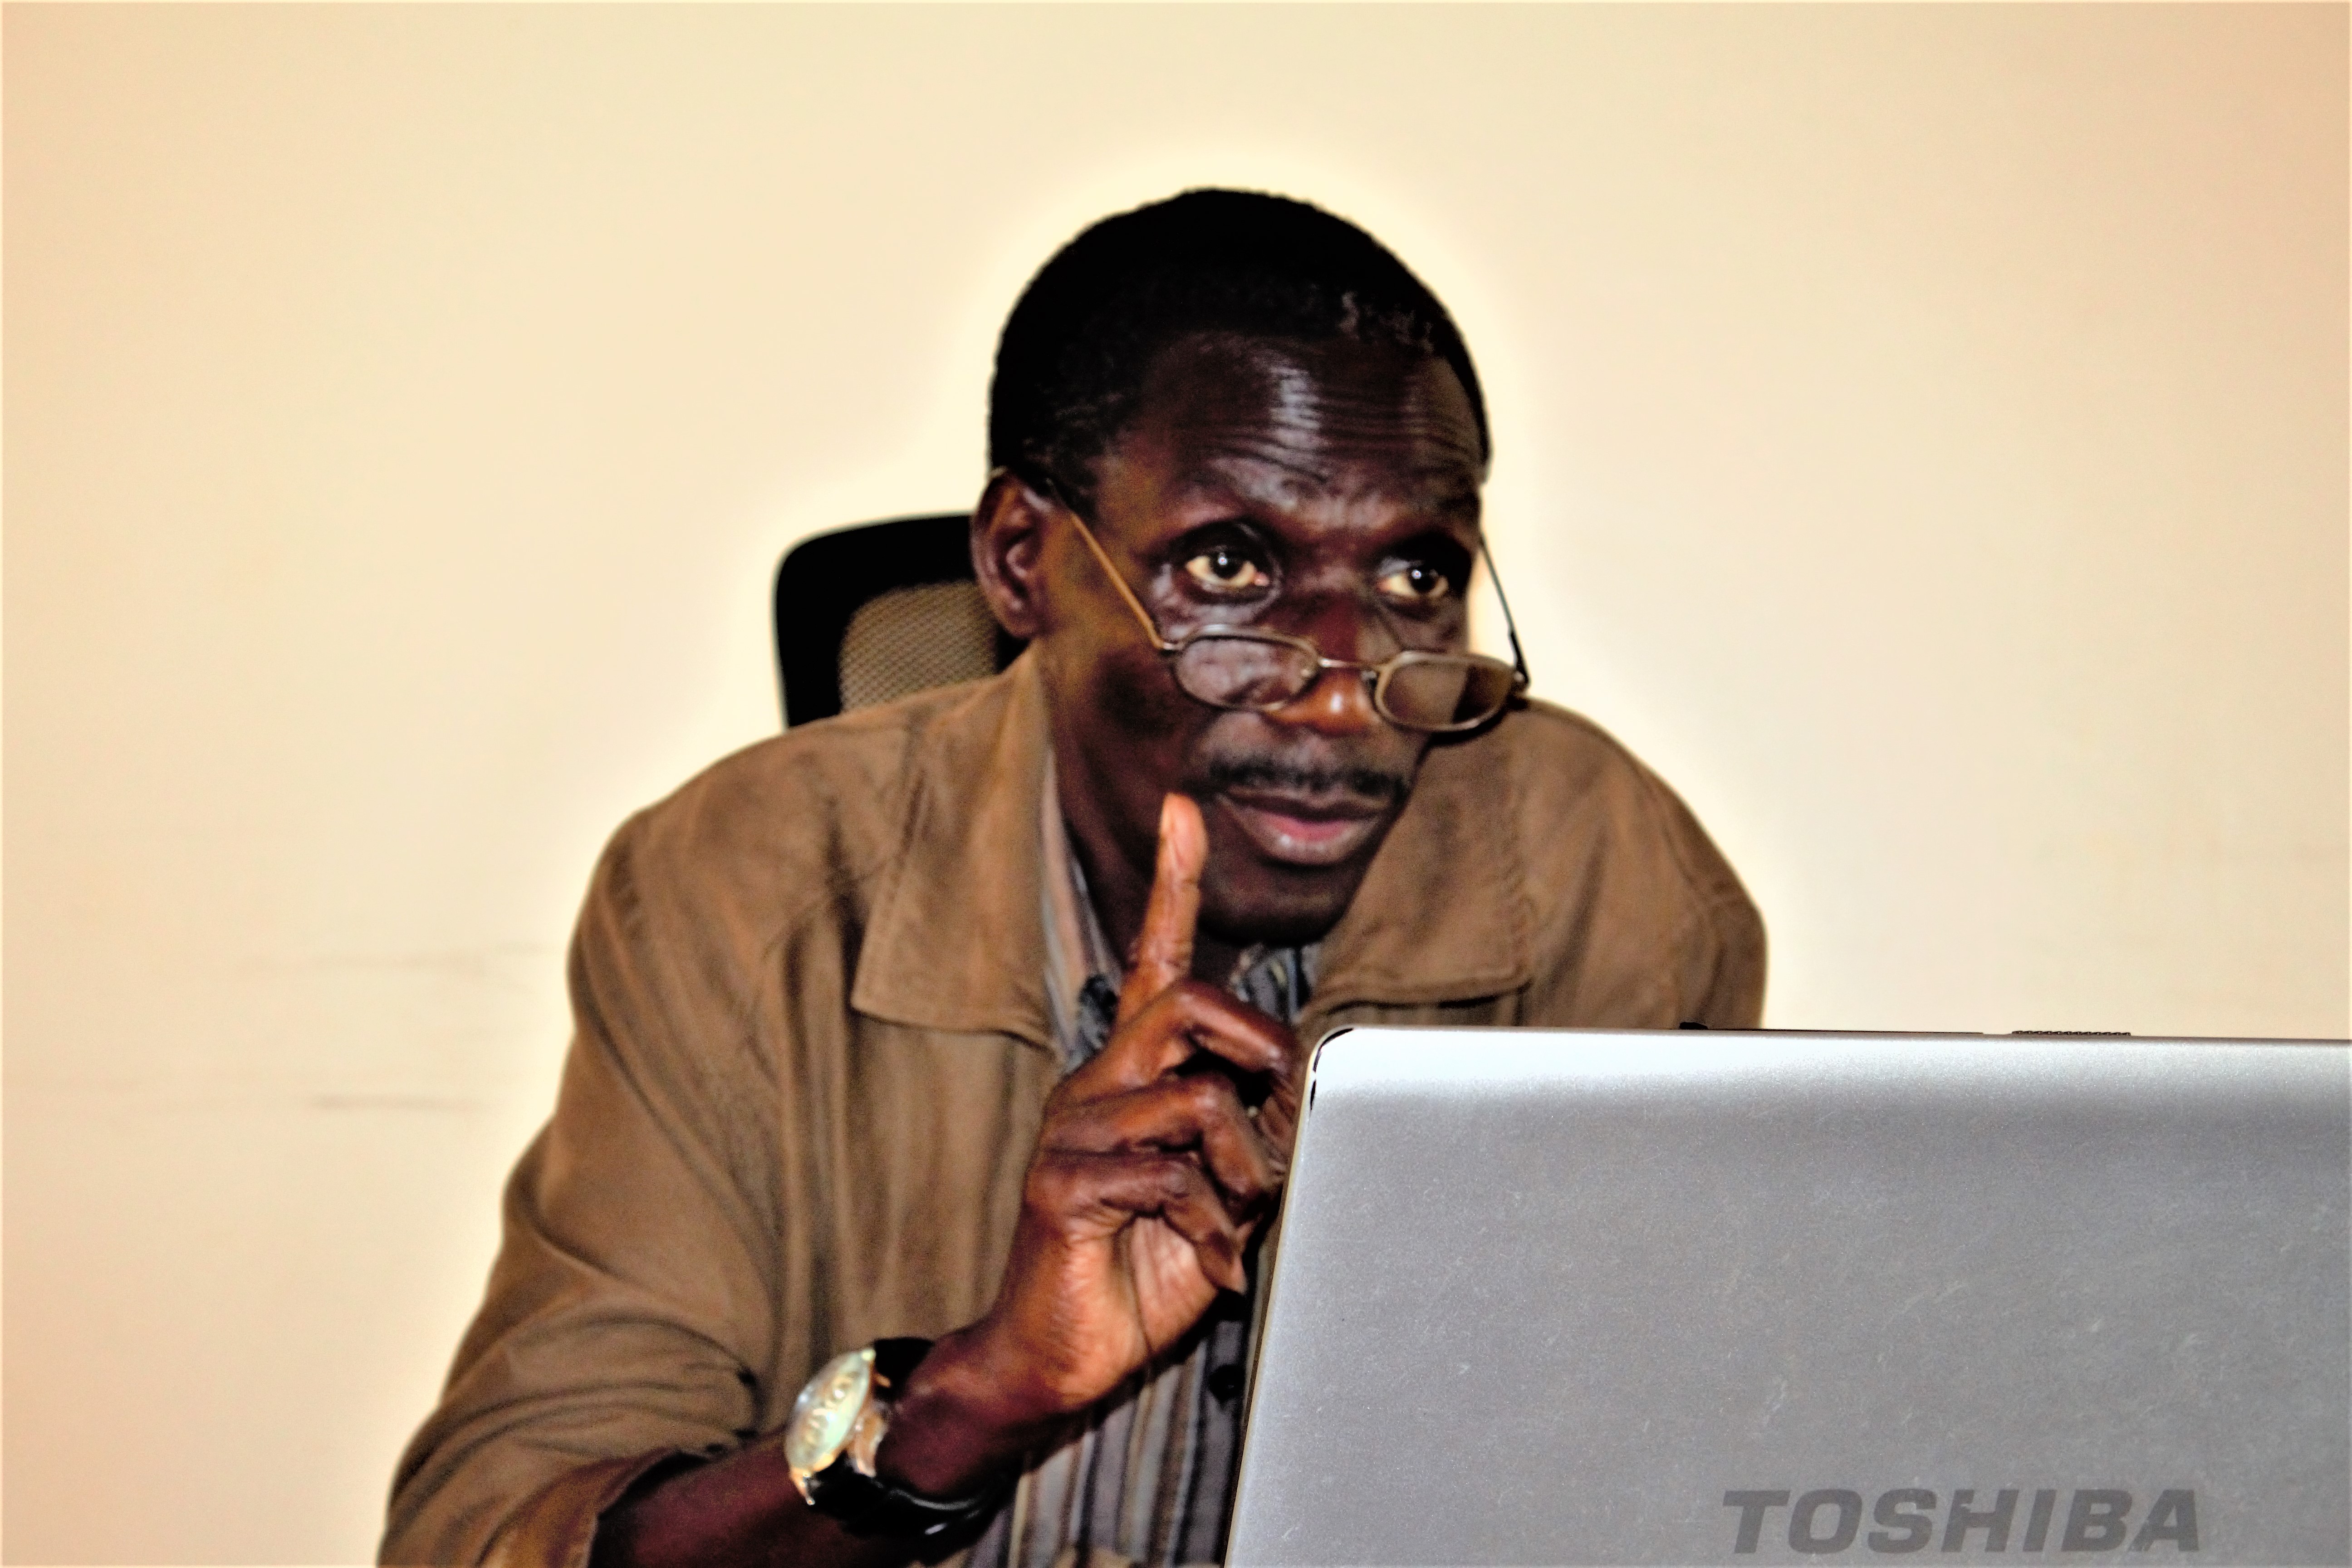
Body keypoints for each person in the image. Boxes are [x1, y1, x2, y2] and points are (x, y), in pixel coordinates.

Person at [382, 189, 1765, 1568]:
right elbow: (493, 1535)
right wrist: (972, 1405)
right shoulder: (747, 889)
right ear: (1020, 560)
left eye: (1415, 575)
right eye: (1232, 566)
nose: (1349, 704)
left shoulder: (1608, 881)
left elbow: (1678, 1475)